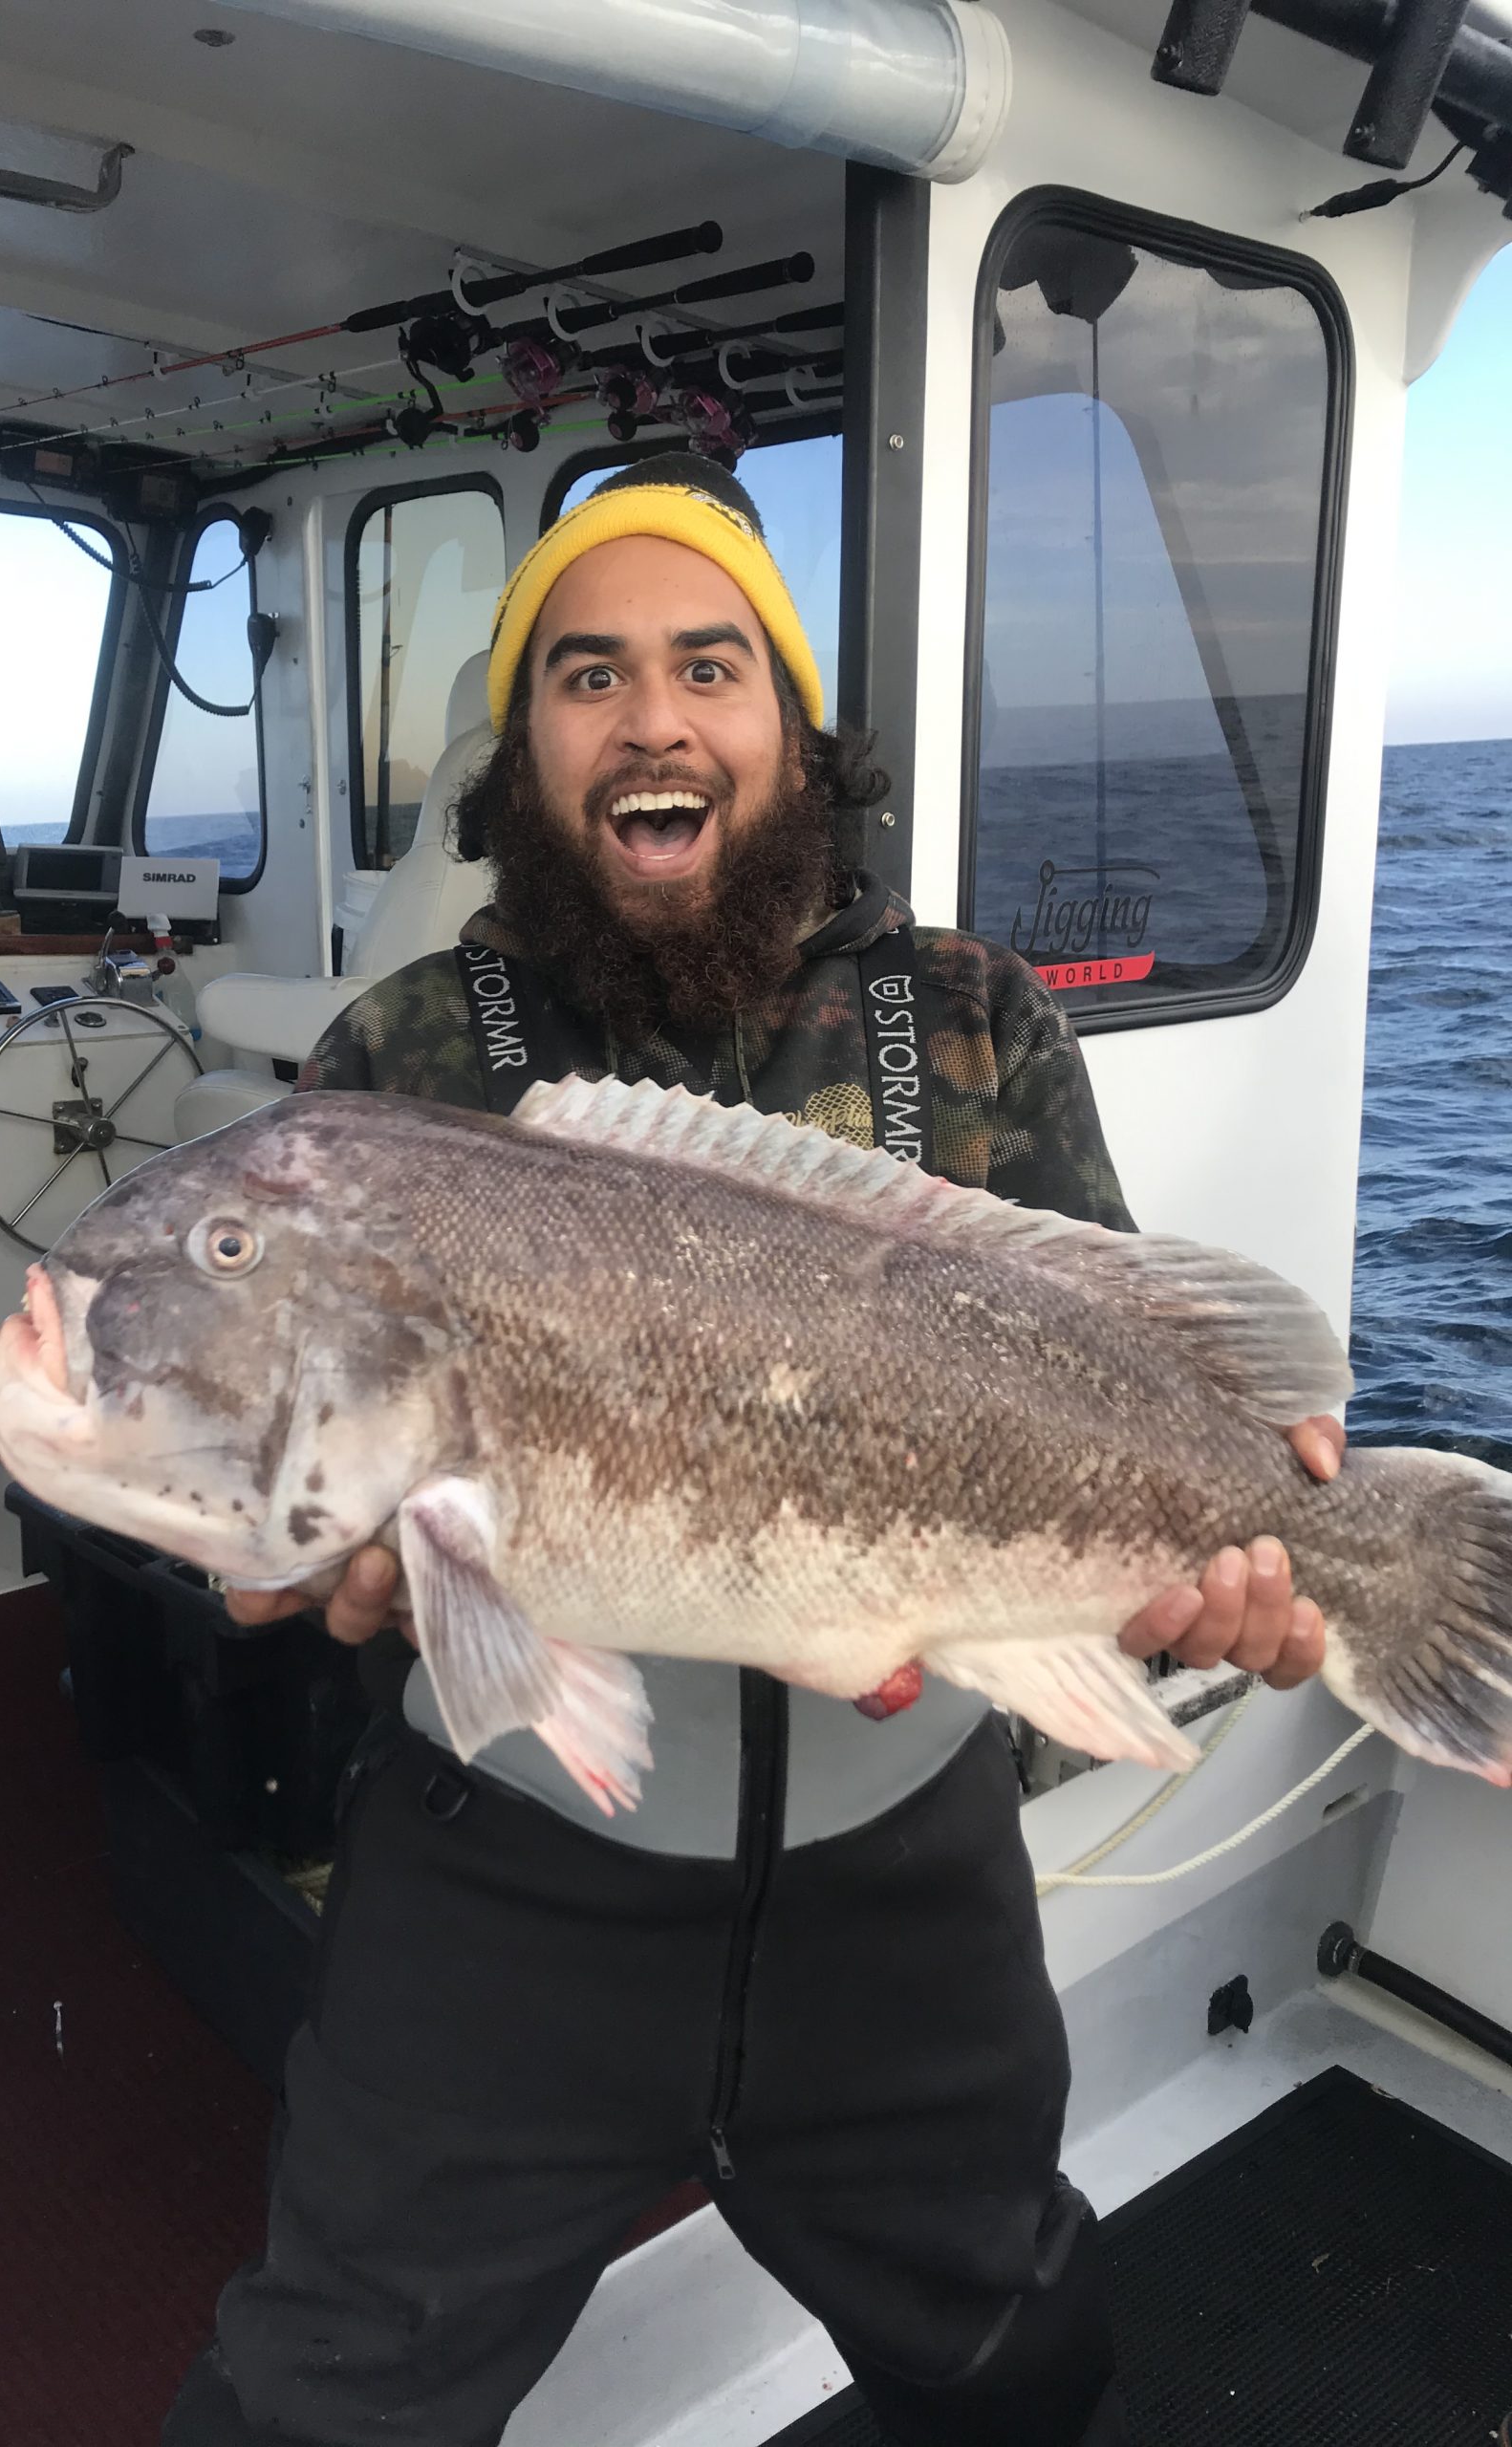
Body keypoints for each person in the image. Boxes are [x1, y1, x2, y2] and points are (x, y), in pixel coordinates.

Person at [163, 454, 1343, 2447]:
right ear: (524, 749)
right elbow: (282, 1462)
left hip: (903, 1892)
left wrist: (1216, 1580)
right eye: (589, 674)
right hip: (505, 1879)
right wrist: (295, 1556)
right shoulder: (398, 1062)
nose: (653, 719)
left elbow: (1131, 1386)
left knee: (1016, 2365)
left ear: (790, 730)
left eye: (709, 667)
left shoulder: (975, 1020)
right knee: (314, 2404)